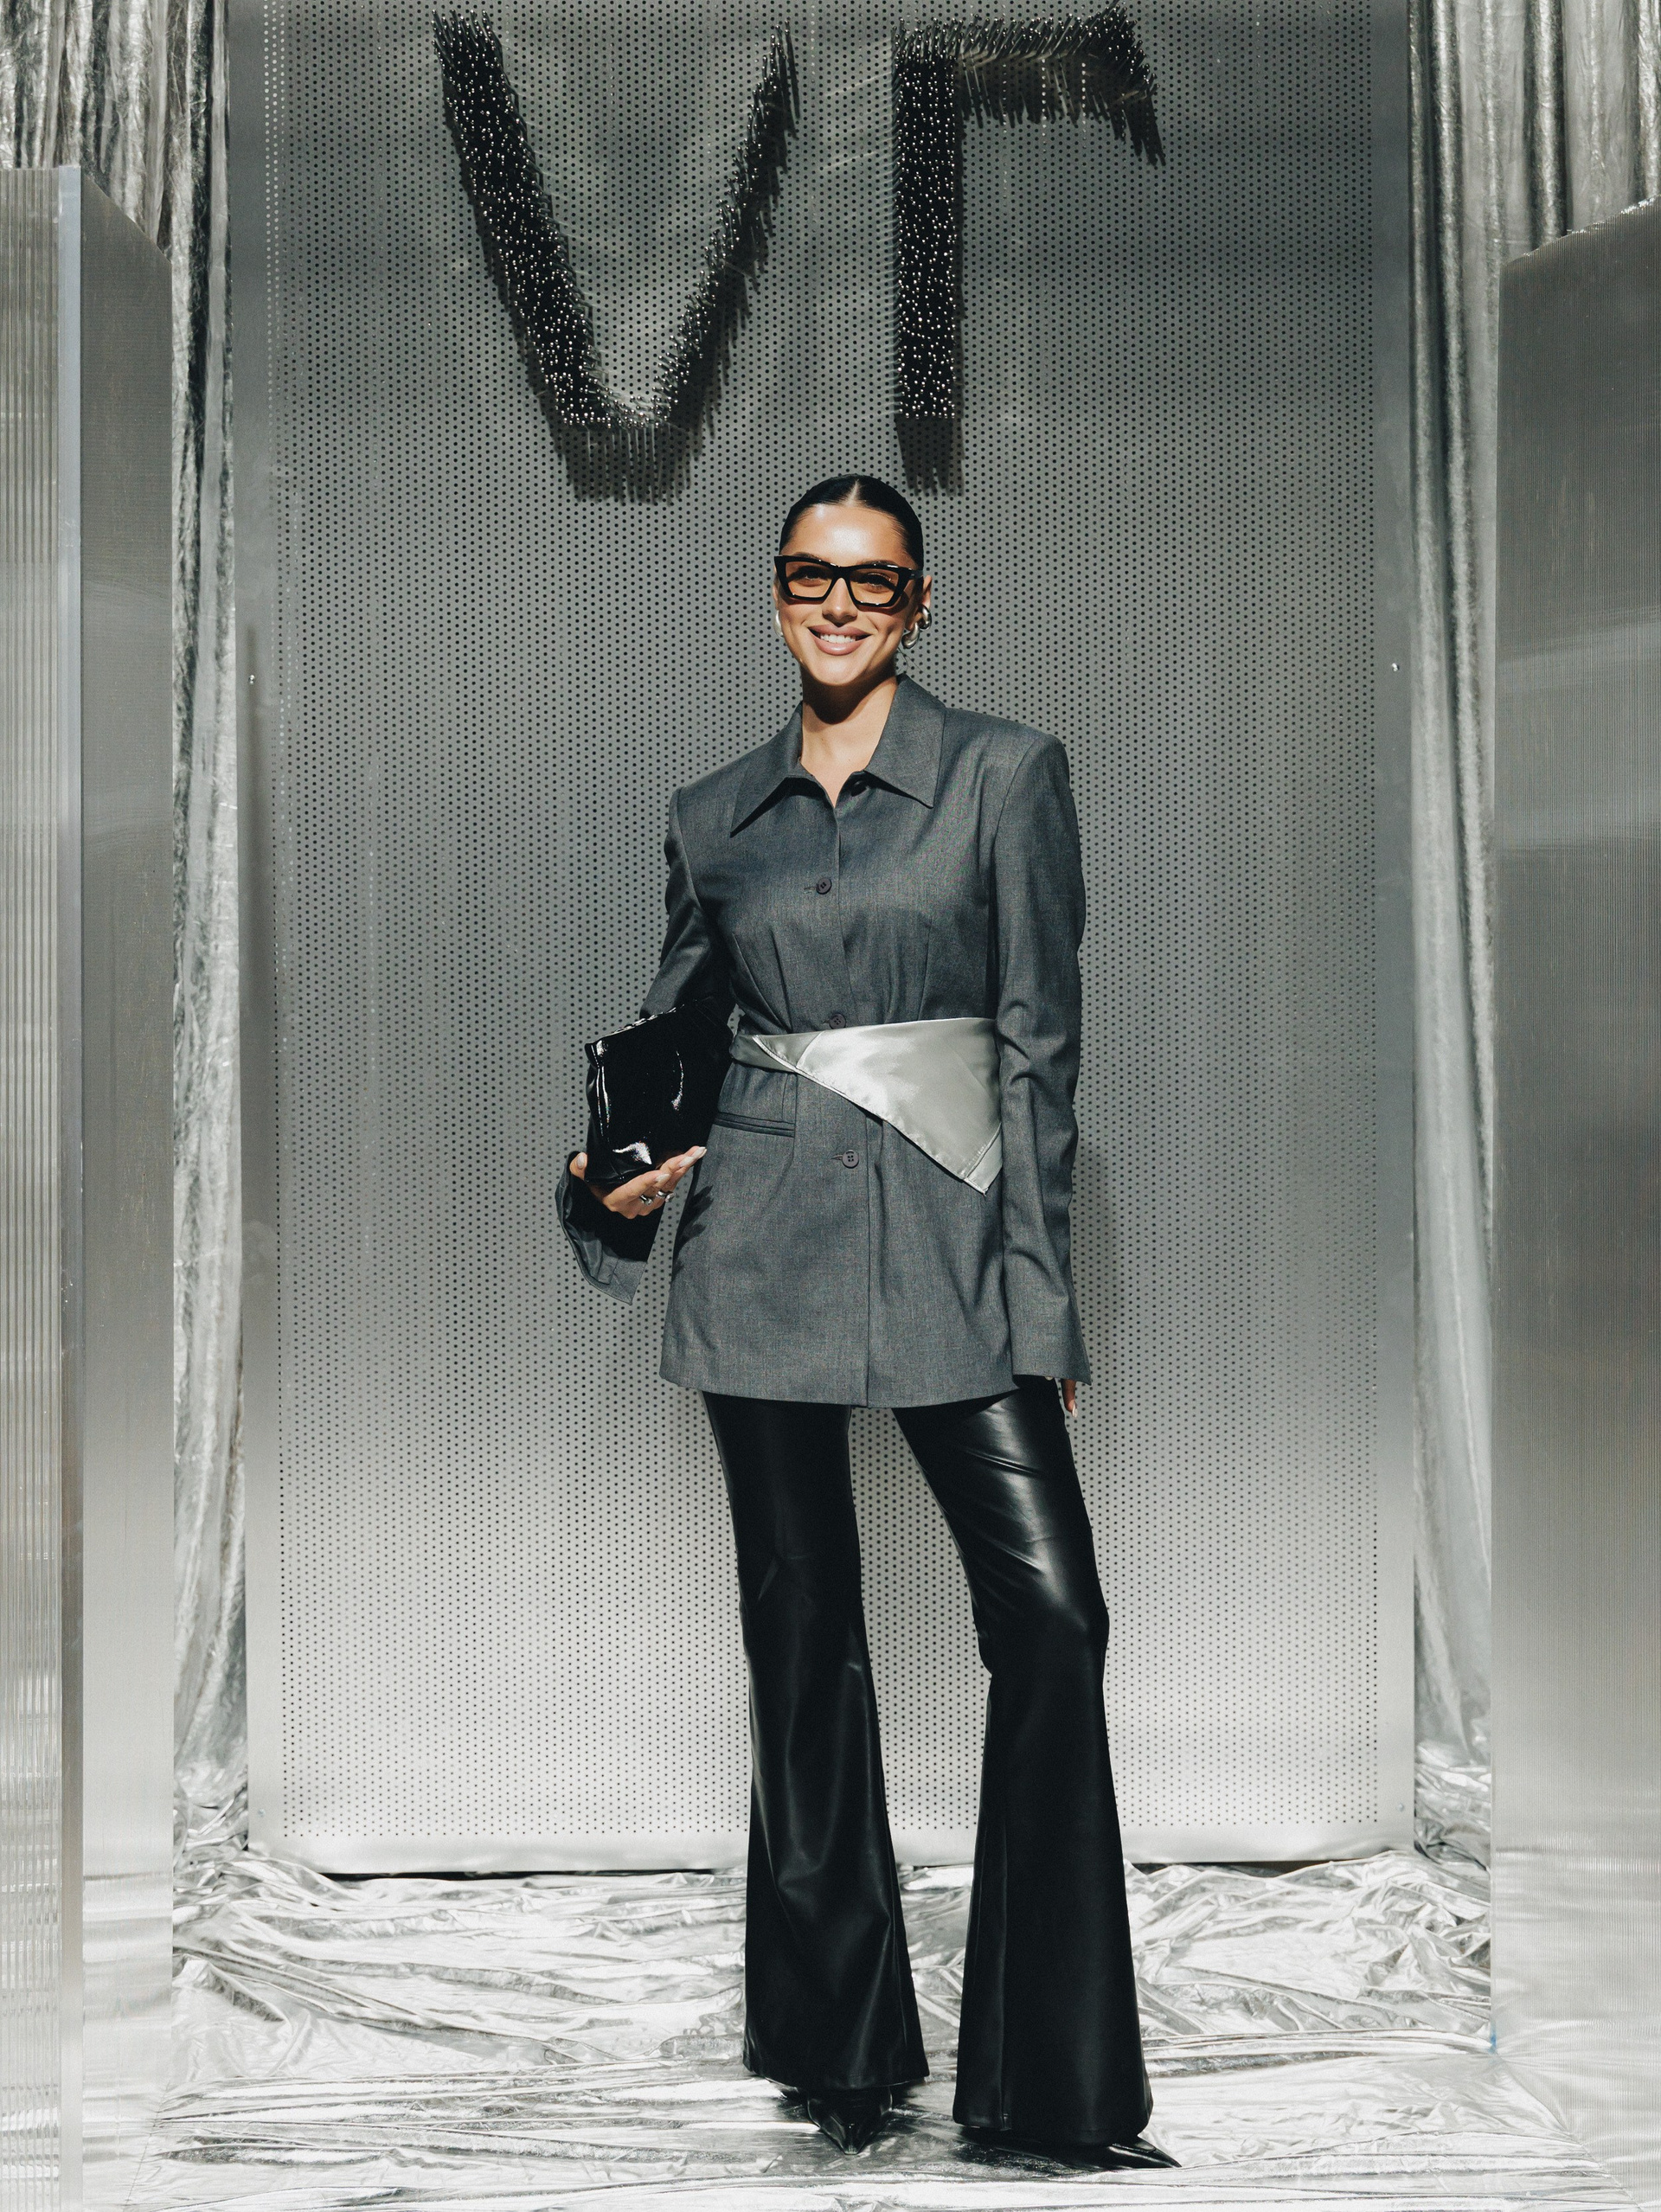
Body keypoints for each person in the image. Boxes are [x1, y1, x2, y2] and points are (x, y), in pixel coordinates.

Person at [561, 475, 1163, 2165]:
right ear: (775, 597)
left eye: (873, 581)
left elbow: (1040, 1055)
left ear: (918, 602)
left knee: (1052, 1618)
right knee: (800, 1637)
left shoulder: (1005, 776)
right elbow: (679, 1034)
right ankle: (838, 2053)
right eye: (810, 577)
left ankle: (1045, 2086)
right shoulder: (714, 813)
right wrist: (606, 1179)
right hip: (758, 1247)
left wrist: (1039, 1310)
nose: (838, 605)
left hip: (954, 1245)